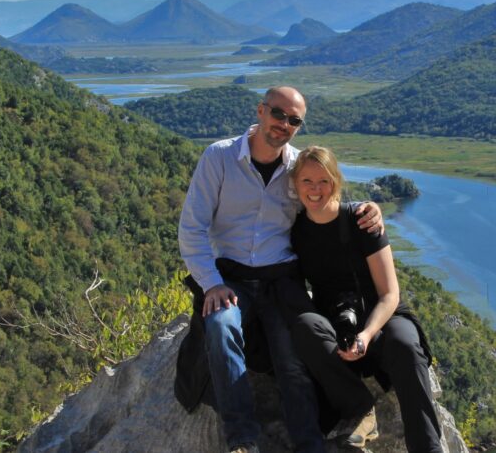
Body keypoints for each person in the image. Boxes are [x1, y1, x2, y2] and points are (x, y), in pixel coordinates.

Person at [177, 87, 383, 453]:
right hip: (231, 276)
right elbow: (191, 227)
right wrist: (211, 284)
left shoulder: (296, 168)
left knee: (291, 358)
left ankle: (309, 444)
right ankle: (242, 439)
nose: (284, 124)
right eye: (278, 114)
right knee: (222, 331)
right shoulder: (219, 158)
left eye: (294, 120)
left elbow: (325, 200)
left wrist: (366, 209)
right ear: (260, 111)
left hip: (281, 278)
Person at [288, 146, 442, 453]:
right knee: (305, 326)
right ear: (295, 185)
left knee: (405, 345)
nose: (316, 190)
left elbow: (390, 293)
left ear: (337, 182)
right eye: (307, 181)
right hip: (337, 321)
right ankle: (359, 406)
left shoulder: (362, 220)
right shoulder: (296, 232)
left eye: (324, 180)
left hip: (382, 317)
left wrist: (367, 335)